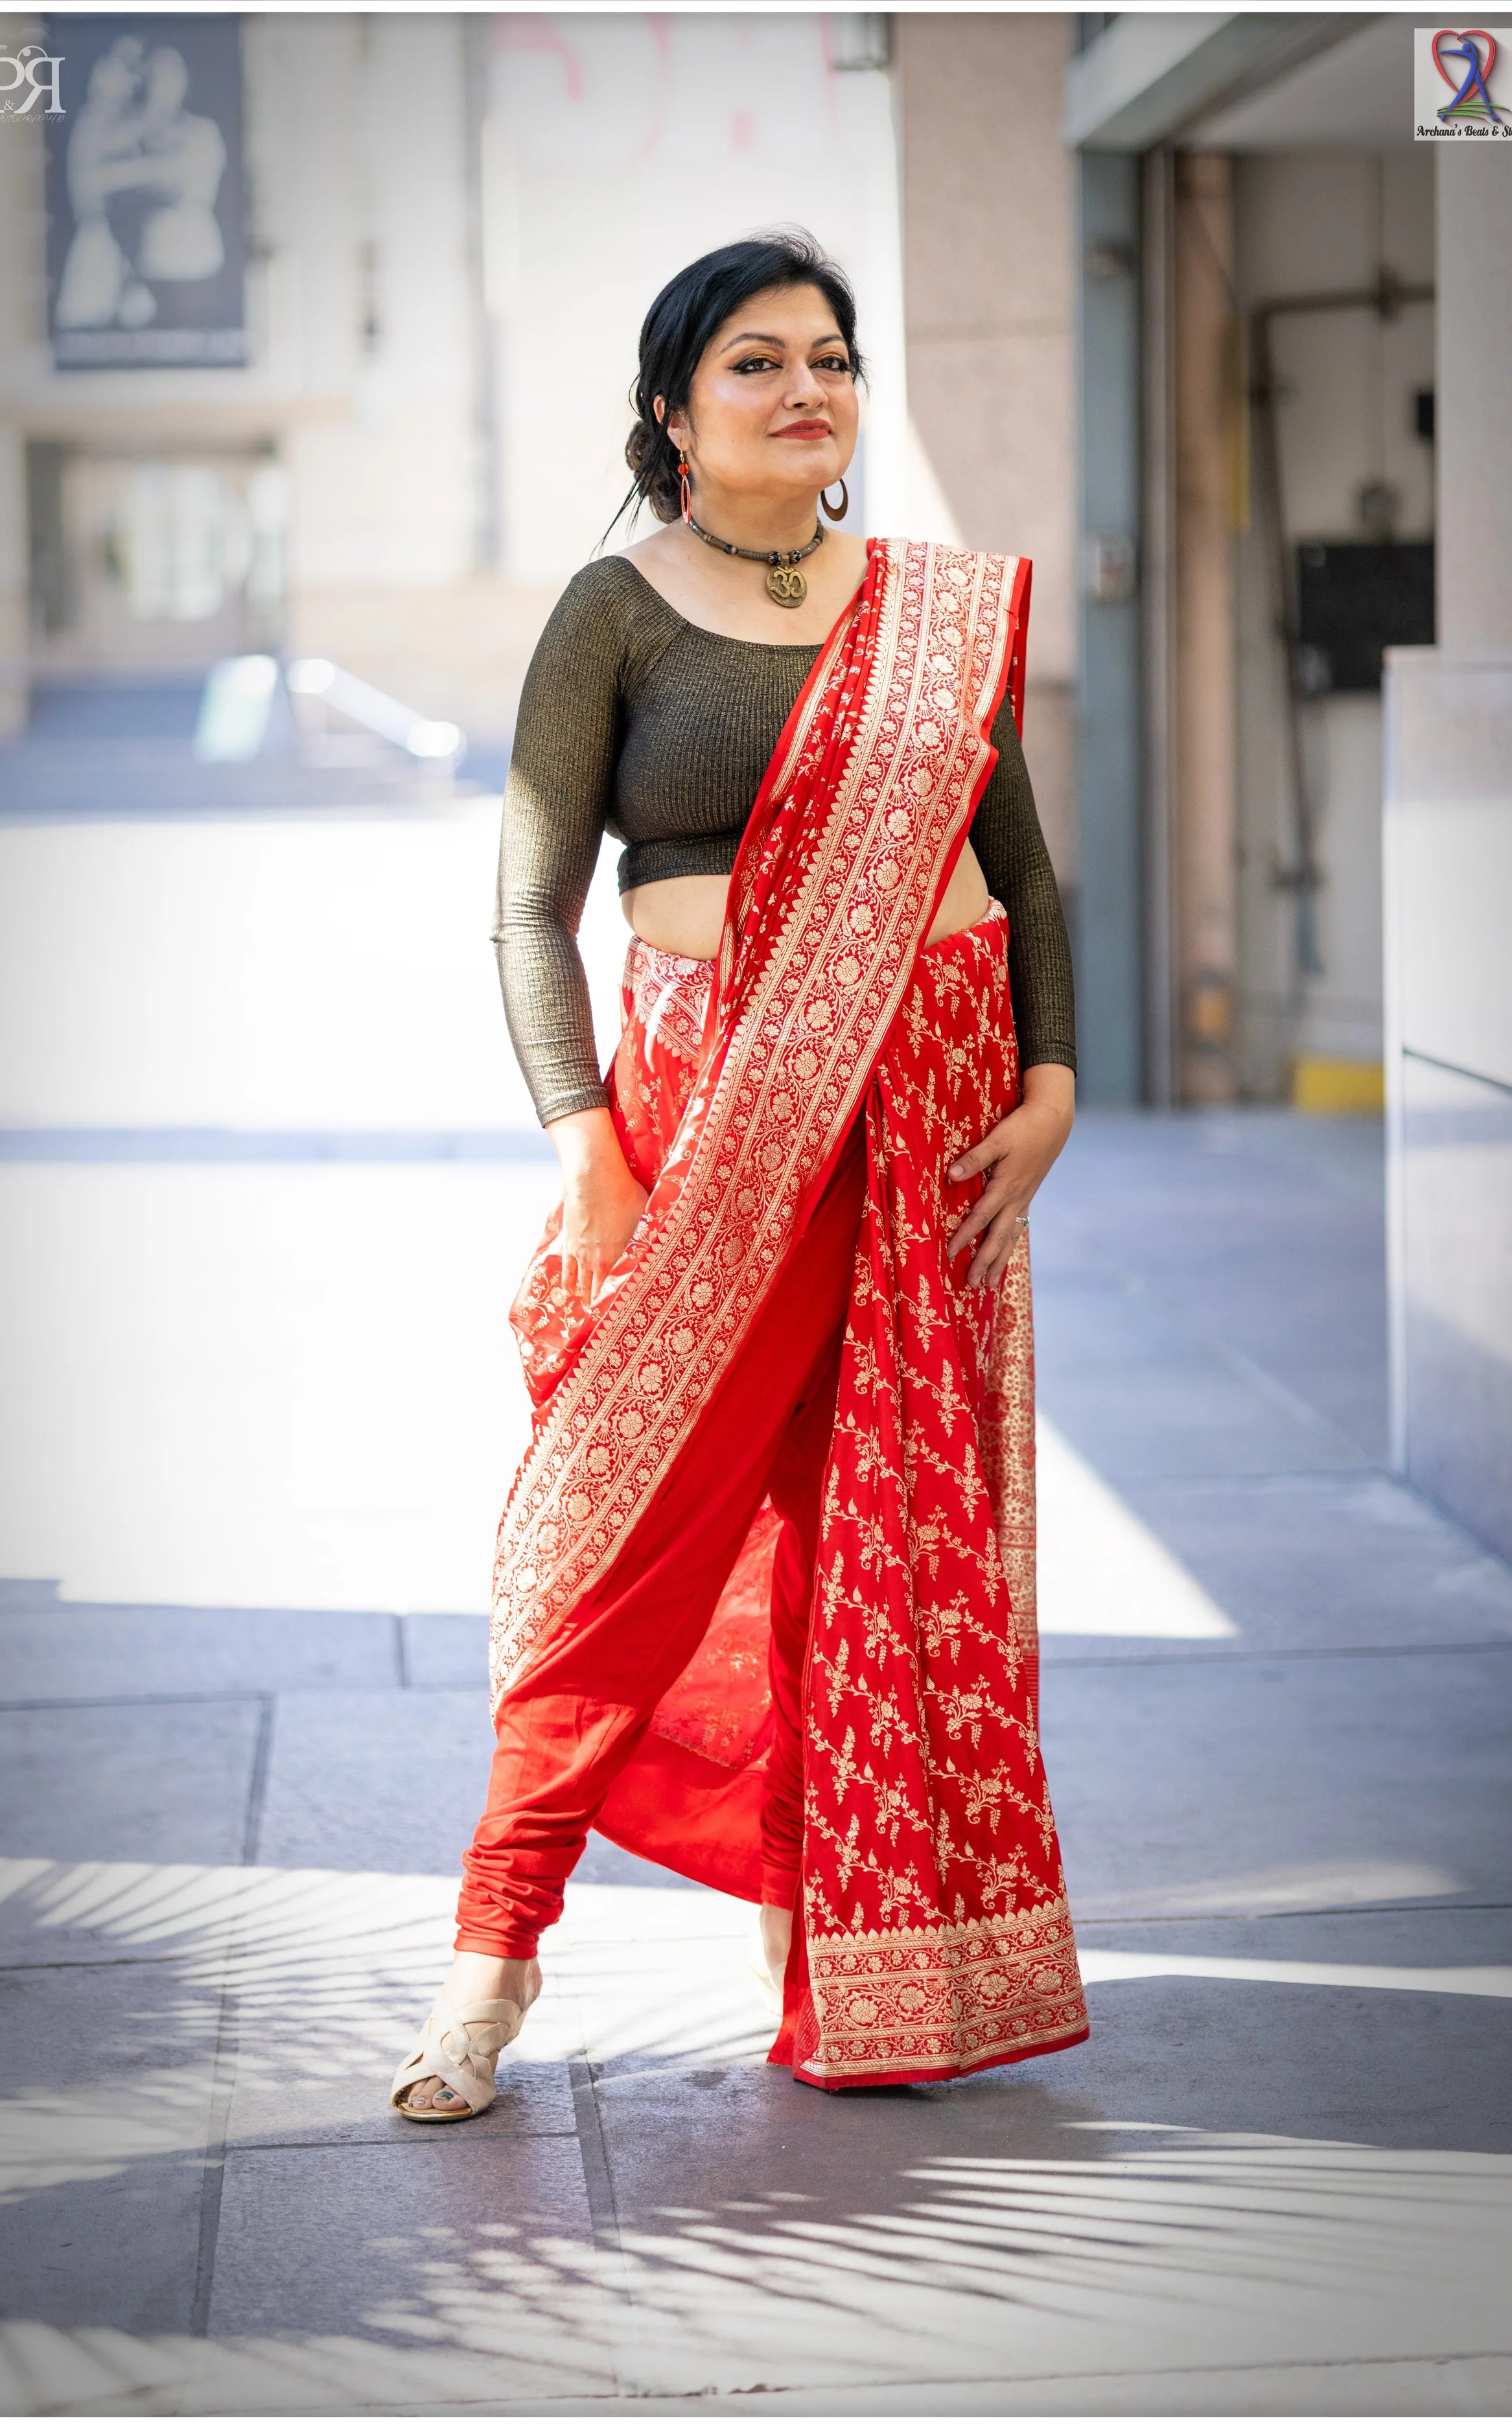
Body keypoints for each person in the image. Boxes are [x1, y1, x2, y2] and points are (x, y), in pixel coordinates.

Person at [391, 231, 1089, 2120]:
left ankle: (849, 1957)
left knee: (872, 1551)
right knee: (612, 1549)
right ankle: (492, 1953)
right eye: (756, 362)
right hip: (707, 1134)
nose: (806, 389)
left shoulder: (934, 612)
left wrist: (1050, 1080)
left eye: (831, 359)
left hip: (933, 1131)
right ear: (672, 414)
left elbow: (1019, 873)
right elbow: (529, 910)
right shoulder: (613, 610)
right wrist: (587, 1151)